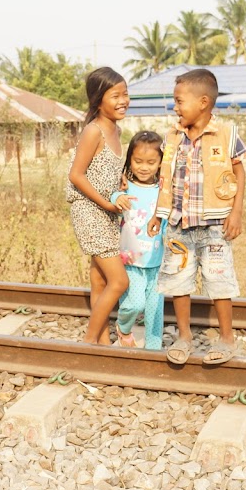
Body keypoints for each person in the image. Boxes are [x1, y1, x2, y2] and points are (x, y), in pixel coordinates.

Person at [149, 69, 246, 365]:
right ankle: (184, 336)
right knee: (178, 281)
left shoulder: (227, 134)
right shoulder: (173, 136)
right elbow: (164, 176)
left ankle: (226, 339)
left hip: (215, 224)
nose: (175, 108)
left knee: (219, 280)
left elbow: (239, 172)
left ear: (203, 102)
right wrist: (158, 214)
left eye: (180, 101)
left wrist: (237, 212)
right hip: (179, 224)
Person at [66, 67, 130, 345]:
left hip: (106, 211)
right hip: (89, 210)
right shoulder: (94, 131)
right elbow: (76, 175)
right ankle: (90, 341)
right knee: (120, 282)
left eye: (126, 94)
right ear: (98, 100)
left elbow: (104, 169)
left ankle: (104, 343)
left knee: (100, 282)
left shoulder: (116, 129)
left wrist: (121, 182)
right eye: (115, 95)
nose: (123, 101)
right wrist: (106, 202)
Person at [110, 130, 166, 350]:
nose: (144, 167)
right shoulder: (125, 187)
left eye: (151, 162)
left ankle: (153, 349)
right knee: (134, 304)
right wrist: (117, 198)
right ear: (129, 159)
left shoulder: (163, 190)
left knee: (154, 310)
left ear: (160, 162)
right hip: (131, 260)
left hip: (157, 260)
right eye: (138, 161)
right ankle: (123, 328)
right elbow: (113, 197)